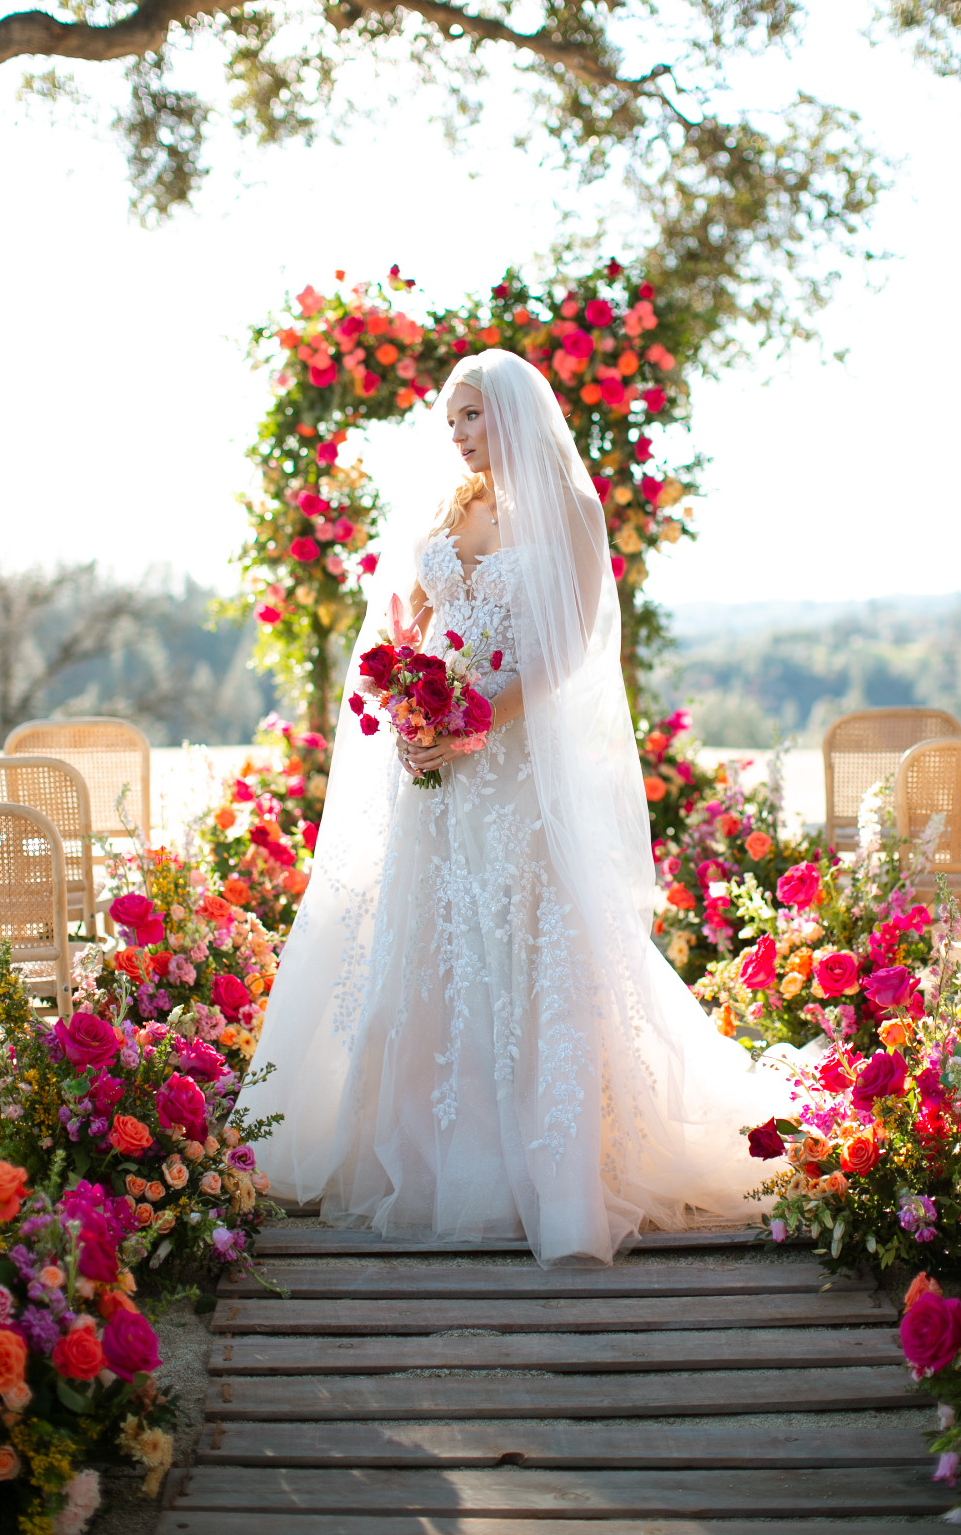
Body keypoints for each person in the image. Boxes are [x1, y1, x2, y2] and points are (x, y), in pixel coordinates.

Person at [242, 349, 788, 1265]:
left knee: (530, 941)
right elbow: (408, 625)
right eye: (448, 421)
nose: (456, 437)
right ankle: (424, 1159)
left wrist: (475, 719)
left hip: (515, 767)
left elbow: (572, 649)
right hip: (438, 777)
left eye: (471, 417)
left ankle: (550, 1172)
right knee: (432, 947)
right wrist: (406, 704)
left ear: (514, 414)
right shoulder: (449, 510)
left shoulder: (569, 511)